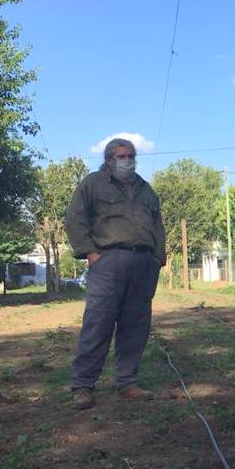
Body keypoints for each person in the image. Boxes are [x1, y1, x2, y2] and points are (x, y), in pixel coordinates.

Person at [65, 138, 166, 409]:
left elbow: (158, 227)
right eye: (122, 156)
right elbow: (75, 218)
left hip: (143, 263)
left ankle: (128, 383)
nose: (127, 161)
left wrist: (157, 258)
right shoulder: (93, 184)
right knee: (98, 323)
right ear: (109, 159)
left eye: (131, 156)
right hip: (107, 261)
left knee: (136, 326)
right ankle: (83, 386)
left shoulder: (146, 189)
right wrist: (90, 253)